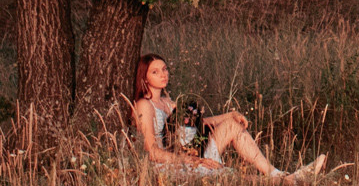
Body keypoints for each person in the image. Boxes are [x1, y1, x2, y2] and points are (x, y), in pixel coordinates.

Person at [130, 54, 325, 179]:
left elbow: (199, 125)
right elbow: (152, 151)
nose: (163, 74)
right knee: (229, 176)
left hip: (188, 152)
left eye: (164, 69)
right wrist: (193, 161)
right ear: (144, 77)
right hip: (170, 164)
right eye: (155, 72)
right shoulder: (144, 105)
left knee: (232, 124)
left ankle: (277, 174)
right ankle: (286, 181)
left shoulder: (168, 101)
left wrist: (229, 115)